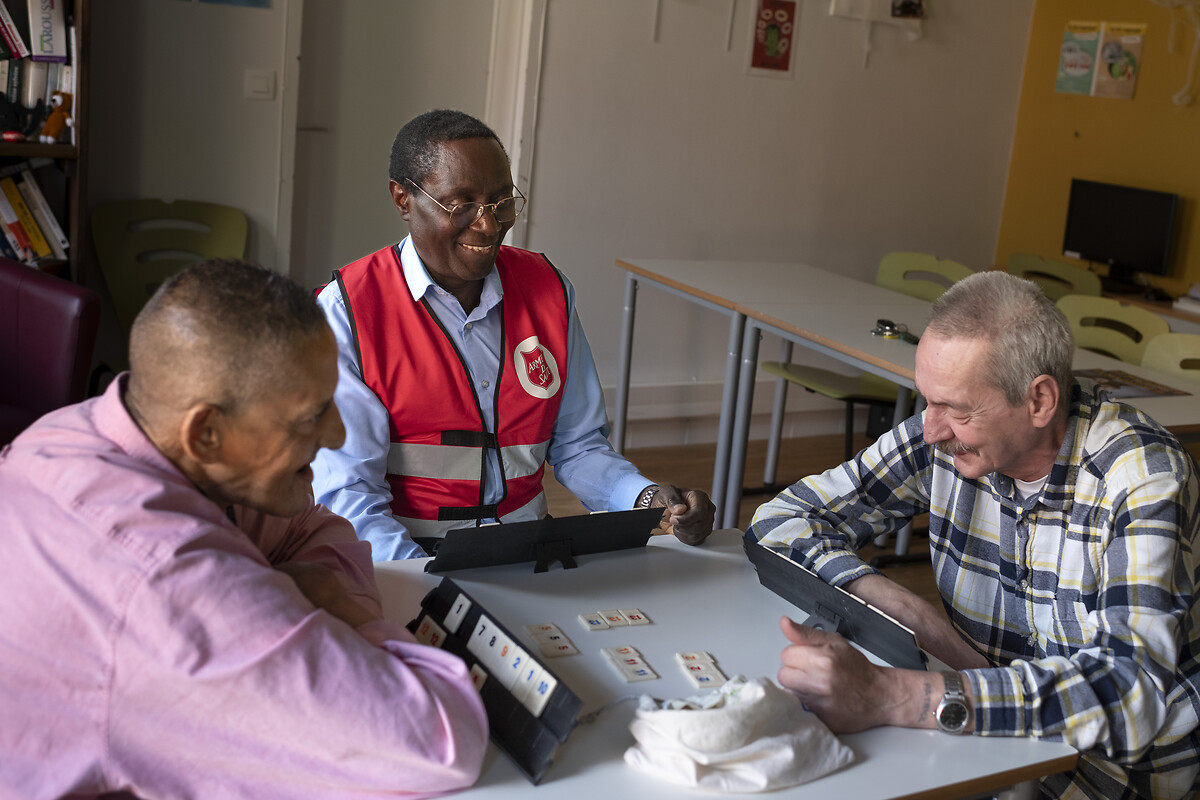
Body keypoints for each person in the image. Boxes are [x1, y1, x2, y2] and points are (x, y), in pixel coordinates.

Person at [0, 260, 488, 799]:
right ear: (206, 432)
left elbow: (321, 528)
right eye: (311, 415)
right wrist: (341, 607)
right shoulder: (167, 586)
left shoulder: (77, 431)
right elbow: (442, 744)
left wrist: (306, 595)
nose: (336, 433)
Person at [746, 271, 1199, 799]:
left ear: (1039, 401)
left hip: (1109, 777)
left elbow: (1128, 694)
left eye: (958, 410)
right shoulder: (944, 435)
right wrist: (903, 609)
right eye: (928, 401)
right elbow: (780, 519)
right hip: (981, 740)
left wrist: (896, 695)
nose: (931, 428)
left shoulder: (1142, 476)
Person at [312, 109, 716, 560]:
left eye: (501, 201)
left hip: (529, 549)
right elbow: (349, 494)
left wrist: (646, 502)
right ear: (402, 199)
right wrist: (427, 584)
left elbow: (578, 446)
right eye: (460, 204)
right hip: (409, 556)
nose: (488, 224)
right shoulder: (348, 311)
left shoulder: (548, 290)